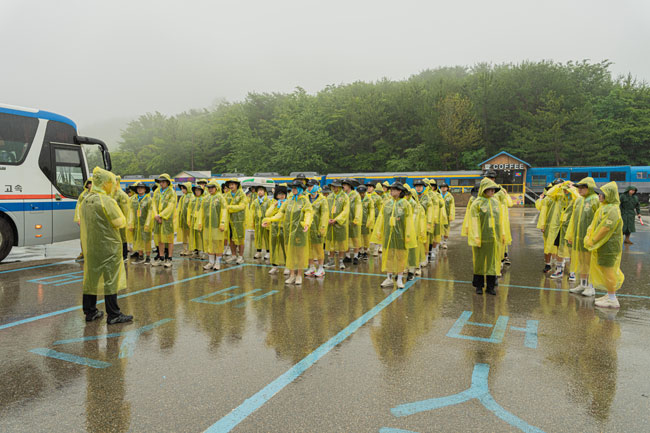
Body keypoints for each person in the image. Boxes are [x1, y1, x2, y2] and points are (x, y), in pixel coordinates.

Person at [79, 167, 133, 324]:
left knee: (91, 278)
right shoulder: (107, 201)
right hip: (108, 247)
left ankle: (90, 311)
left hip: (91, 246)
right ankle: (114, 314)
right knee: (111, 279)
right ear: (105, 183)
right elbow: (119, 222)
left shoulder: (86, 200)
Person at [263, 180, 313, 285]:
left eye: (295, 188)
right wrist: (270, 220)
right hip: (288, 232)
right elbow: (280, 214)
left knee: (299, 254)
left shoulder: (305, 201)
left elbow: (308, 213)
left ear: (300, 189)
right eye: (292, 188)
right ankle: (292, 275)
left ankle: (299, 275)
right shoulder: (288, 201)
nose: (293, 190)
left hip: (299, 232)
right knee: (290, 253)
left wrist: (307, 223)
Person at [586, 182, 625, 308]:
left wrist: (593, 240)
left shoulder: (612, 209)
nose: (599, 196)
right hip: (604, 245)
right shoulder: (606, 207)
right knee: (606, 270)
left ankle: (612, 299)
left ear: (609, 195)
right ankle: (609, 294)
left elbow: (605, 228)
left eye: (602, 194)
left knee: (609, 271)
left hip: (609, 247)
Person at [371, 182, 416, 289]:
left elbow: (409, 221)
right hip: (388, 235)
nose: (391, 191)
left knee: (400, 257)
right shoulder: (387, 203)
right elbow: (381, 218)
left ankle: (399, 279)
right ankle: (389, 278)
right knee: (389, 256)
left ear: (400, 191)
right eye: (391, 189)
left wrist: (408, 235)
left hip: (400, 235)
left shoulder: (405, 204)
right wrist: (378, 231)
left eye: (394, 189)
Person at [467, 178, 507, 296]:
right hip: (481, 238)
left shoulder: (496, 202)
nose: (492, 191)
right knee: (479, 262)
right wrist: (476, 237)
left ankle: (490, 287)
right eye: (490, 189)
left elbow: (500, 220)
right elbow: (474, 222)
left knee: (492, 262)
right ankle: (479, 286)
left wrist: (502, 233)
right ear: (484, 189)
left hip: (494, 239)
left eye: (494, 189)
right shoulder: (477, 203)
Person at [566, 177, 601, 296]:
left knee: (590, 262)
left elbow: (599, 220)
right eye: (578, 187)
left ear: (589, 188)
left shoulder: (595, 200)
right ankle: (583, 284)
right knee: (582, 262)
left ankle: (591, 286)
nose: (579, 190)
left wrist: (595, 237)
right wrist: (570, 235)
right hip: (578, 237)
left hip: (590, 239)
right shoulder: (579, 200)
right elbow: (573, 219)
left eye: (582, 187)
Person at [550, 182, 578, 280]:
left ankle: (572, 272)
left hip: (571, 228)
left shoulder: (575, 198)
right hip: (560, 227)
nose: (565, 191)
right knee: (559, 249)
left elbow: (578, 198)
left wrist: (573, 189)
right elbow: (549, 193)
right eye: (564, 189)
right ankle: (559, 270)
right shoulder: (560, 197)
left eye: (567, 189)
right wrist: (558, 186)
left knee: (571, 251)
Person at [536, 178, 565, 273]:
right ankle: (548, 264)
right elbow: (543, 212)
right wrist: (542, 225)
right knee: (548, 245)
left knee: (559, 246)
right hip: (549, 225)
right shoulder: (548, 198)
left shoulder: (565, 198)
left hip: (561, 225)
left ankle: (558, 264)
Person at [200, 180, 229, 270]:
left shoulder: (220, 198)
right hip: (207, 226)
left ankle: (217, 262)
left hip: (217, 226)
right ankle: (211, 262)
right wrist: (200, 222)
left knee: (218, 243)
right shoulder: (206, 198)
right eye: (209, 187)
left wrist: (222, 223)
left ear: (216, 188)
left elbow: (224, 211)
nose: (210, 189)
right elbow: (201, 211)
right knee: (209, 243)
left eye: (212, 187)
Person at [151, 174, 176, 268]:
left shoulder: (171, 192)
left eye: (163, 182)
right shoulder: (157, 192)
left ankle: (169, 258)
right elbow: (153, 204)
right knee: (159, 239)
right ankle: (161, 257)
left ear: (168, 182)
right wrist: (156, 215)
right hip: (157, 219)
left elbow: (171, 206)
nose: (161, 183)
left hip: (167, 219)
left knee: (169, 239)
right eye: (160, 182)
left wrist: (161, 215)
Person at [306, 179, 329, 277]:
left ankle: (321, 268)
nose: (309, 188)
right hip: (307, 228)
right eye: (308, 186)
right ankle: (311, 267)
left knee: (319, 248)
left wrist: (322, 228)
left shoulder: (322, 200)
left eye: (311, 186)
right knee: (309, 249)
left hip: (317, 227)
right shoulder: (306, 198)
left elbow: (324, 214)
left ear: (316, 187)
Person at [325, 180, 350, 270]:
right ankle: (331, 261)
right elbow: (326, 209)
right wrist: (327, 219)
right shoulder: (329, 197)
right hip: (330, 224)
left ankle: (340, 261)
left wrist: (336, 219)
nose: (334, 188)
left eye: (335, 186)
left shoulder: (345, 197)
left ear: (339, 187)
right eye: (333, 186)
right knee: (331, 242)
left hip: (340, 224)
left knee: (341, 243)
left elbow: (346, 210)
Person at [127, 182, 152, 264]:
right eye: (138, 188)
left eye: (141, 188)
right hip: (136, 224)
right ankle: (141, 256)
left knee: (146, 240)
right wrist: (130, 223)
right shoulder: (133, 199)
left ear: (145, 189)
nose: (140, 189)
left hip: (145, 223)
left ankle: (148, 257)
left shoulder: (148, 199)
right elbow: (131, 211)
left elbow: (150, 212)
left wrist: (148, 223)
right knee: (138, 240)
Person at [267, 185, 287, 275]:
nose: (281, 196)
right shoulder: (273, 203)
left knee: (285, 248)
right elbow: (267, 214)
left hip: (284, 229)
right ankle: (275, 266)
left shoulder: (288, 203)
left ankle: (287, 265)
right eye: (279, 194)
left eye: (283, 194)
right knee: (274, 247)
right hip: (274, 229)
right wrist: (273, 206)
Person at [225, 179, 247, 264]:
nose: (231, 186)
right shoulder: (227, 195)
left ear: (237, 185)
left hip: (239, 221)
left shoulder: (242, 194)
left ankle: (241, 256)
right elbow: (224, 205)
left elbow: (242, 206)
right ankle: (233, 255)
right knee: (231, 238)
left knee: (240, 238)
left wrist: (229, 208)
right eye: (230, 185)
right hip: (230, 220)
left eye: (233, 184)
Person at [343, 178, 362, 264]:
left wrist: (356, 218)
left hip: (353, 220)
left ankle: (355, 256)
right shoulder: (343, 195)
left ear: (349, 186)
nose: (343, 186)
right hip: (345, 220)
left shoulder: (356, 195)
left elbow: (358, 207)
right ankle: (347, 256)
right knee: (345, 238)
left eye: (345, 185)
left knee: (355, 238)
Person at [111, 177, 131, 262]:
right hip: (113, 220)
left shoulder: (122, 195)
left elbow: (126, 210)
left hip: (121, 220)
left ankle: (124, 255)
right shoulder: (112, 194)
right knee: (115, 238)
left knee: (123, 238)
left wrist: (126, 221)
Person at [74, 177, 92, 261]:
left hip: (93, 219)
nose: (90, 185)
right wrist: (78, 218)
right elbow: (78, 206)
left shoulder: (97, 194)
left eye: (92, 183)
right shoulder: (83, 195)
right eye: (89, 183)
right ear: (87, 185)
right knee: (83, 237)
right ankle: (83, 253)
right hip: (84, 219)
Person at [251, 185, 271, 260]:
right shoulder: (255, 201)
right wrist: (252, 221)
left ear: (264, 192)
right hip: (257, 222)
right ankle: (258, 251)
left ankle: (268, 251)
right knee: (258, 237)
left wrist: (268, 221)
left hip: (265, 222)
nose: (260, 192)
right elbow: (252, 211)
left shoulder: (268, 201)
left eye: (261, 190)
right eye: (258, 190)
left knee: (266, 237)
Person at [358, 185, 376, 260]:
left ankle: (365, 252)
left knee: (366, 238)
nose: (361, 194)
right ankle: (359, 252)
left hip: (366, 221)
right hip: (357, 222)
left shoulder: (369, 200)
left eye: (363, 193)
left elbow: (371, 211)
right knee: (358, 237)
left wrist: (370, 220)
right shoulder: (356, 199)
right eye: (360, 193)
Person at [188, 184, 205, 257]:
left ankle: (202, 250)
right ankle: (195, 249)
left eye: (198, 190)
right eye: (196, 190)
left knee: (200, 235)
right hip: (193, 219)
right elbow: (189, 209)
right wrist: (189, 219)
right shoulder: (193, 200)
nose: (197, 192)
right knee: (193, 235)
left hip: (200, 220)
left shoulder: (204, 199)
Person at [177, 182, 193, 256]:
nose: (182, 190)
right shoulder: (183, 197)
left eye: (184, 189)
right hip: (183, 219)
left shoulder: (191, 196)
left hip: (189, 220)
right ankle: (185, 249)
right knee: (184, 235)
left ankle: (190, 249)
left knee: (190, 235)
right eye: (181, 189)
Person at [440, 182, 455, 249]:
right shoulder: (438, 195)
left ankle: (445, 242)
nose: (443, 188)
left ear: (447, 188)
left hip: (447, 215)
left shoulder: (450, 197)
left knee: (446, 229)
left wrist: (451, 215)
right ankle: (439, 242)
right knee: (439, 229)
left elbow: (452, 206)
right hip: (439, 215)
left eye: (445, 187)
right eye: (442, 187)